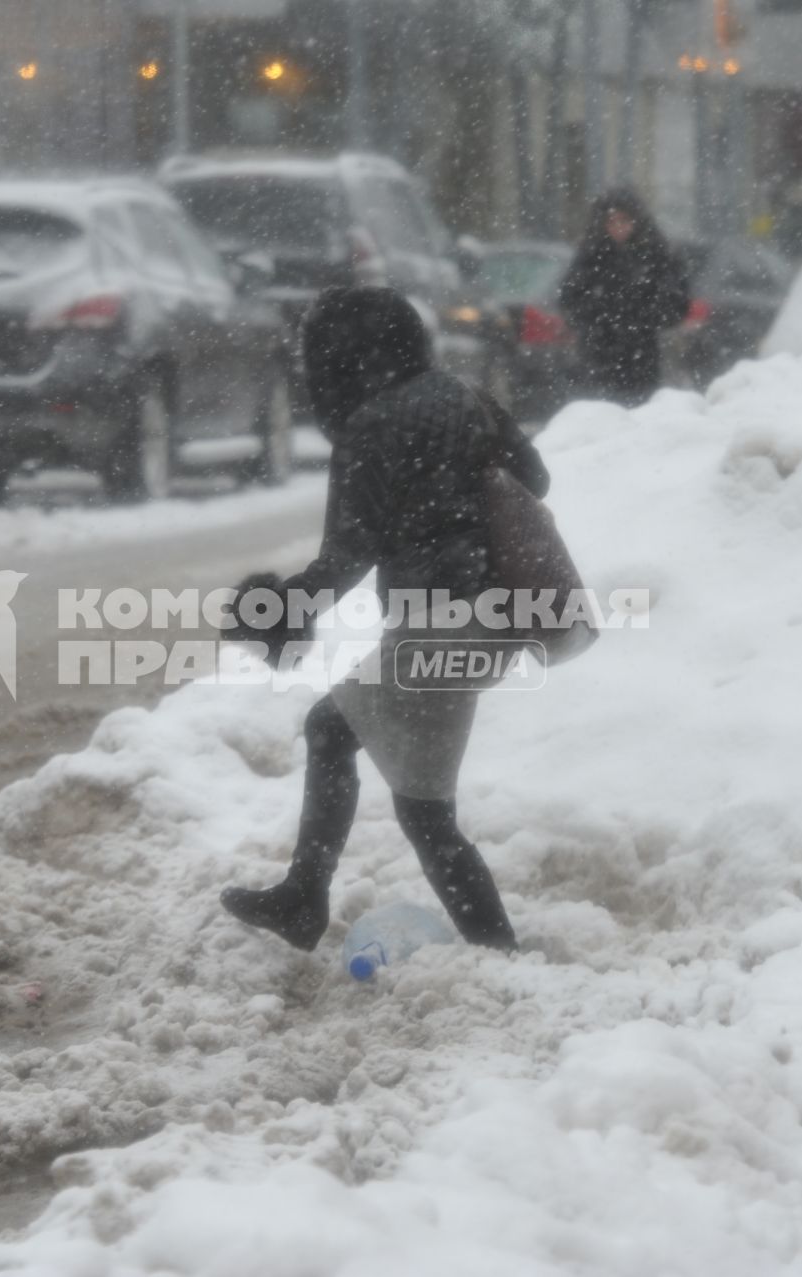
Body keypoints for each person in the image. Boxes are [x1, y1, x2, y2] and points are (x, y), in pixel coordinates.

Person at [218, 286, 549, 955]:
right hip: (493, 616)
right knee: (335, 732)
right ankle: (305, 894)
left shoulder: (369, 426)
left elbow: (346, 556)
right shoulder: (464, 395)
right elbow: (534, 479)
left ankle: (498, 952)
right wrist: (453, 496)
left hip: (441, 626)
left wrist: (276, 610)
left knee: (424, 812)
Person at [556, 188, 691, 407]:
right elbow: (570, 300)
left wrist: (642, 317)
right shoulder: (590, 256)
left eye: (624, 220)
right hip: (598, 357)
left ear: (637, 220)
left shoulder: (657, 254)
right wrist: (600, 318)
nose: (618, 227)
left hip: (644, 357)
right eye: (611, 221)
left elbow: (677, 304)